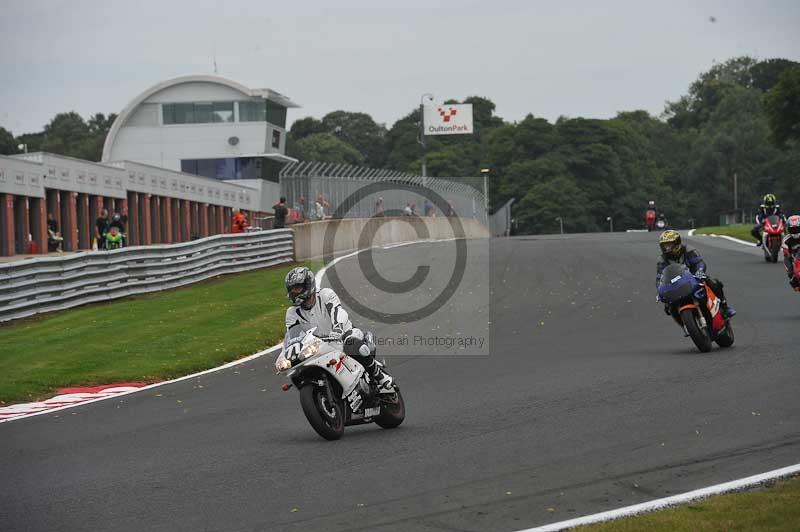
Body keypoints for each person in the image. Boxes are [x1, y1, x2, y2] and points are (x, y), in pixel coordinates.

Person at [280, 266, 394, 393]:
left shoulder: (325, 294)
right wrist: (286, 354)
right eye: (292, 290)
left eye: (297, 288)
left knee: (352, 345)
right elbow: (292, 335)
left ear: (308, 285)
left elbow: (338, 312)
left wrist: (338, 328)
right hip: (320, 347)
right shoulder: (291, 313)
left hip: (343, 334)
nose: (294, 293)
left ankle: (380, 376)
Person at [655, 230, 736, 318]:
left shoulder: (688, 250)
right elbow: (660, 276)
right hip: (676, 282)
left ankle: (725, 306)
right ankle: (686, 326)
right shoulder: (662, 260)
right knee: (669, 306)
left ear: (677, 243)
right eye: (664, 246)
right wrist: (660, 290)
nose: (666, 248)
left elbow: (699, 263)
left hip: (694, 275)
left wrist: (699, 272)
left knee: (712, 282)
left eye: (669, 245)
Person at [782, 215, 800, 290]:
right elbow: (786, 253)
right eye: (793, 229)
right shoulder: (786, 240)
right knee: (790, 272)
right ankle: (795, 283)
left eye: (797, 229)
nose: (795, 231)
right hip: (793, 258)